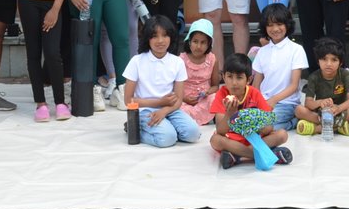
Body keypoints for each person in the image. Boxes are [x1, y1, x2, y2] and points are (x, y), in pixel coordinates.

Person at [123, 16, 201, 148]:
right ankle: (133, 129)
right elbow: (128, 100)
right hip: (145, 110)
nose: (160, 41)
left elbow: (178, 99)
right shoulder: (136, 61)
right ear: (148, 38)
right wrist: (159, 103)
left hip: (170, 109)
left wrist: (163, 111)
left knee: (193, 134)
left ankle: (166, 128)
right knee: (167, 138)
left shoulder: (177, 62)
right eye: (154, 36)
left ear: (171, 37)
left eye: (165, 35)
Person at [210, 52, 292, 169]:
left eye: (239, 77)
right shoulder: (222, 94)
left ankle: (237, 155)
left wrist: (255, 124)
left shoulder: (254, 93)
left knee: (282, 134)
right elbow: (221, 131)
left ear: (249, 79)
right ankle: (266, 154)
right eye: (229, 76)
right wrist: (229, 113)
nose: (234, 82)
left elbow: (269, 127)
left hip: (255, 138)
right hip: (232, 139)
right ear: (223, 77)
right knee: (215, 140)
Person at [250, 3, 308, 131]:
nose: (275, 29)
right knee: (243, 123)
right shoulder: (262, 52)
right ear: (264, 27)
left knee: (262, 127)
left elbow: (293, 86)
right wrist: (256, 103)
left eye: (279, 24)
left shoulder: (296, 50)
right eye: (270, 25)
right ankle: (291, 123)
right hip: (263, 103)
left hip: (286, 104)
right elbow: (256, 85)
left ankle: (293, 121)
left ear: (287, 25)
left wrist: (273, 100)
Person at [294, 38, 349, 136]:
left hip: (340, 112)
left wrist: (338, 108)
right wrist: (320, 102)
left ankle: (317, 128)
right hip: (321, 113)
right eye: (324, 59)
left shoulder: (345, 74)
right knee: (299, 110)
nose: (328, 64)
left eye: (334, 60)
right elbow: (308, 103)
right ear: (318, 61)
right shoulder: (313, 77)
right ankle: (339, 126)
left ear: (340, 62)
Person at [179, 18, 218, 125]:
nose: (198, 46)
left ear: (209, 43)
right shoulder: (181, 60)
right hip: (184, 100)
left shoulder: (212, 59)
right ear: (189, 41)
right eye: (195, 42)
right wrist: (184, 98)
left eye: (203, 42)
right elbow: (173, 86)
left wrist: (207, 93)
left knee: (215, 98)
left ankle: (205, 117)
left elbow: (215, 86)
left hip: (204, 100)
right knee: (177, 106)